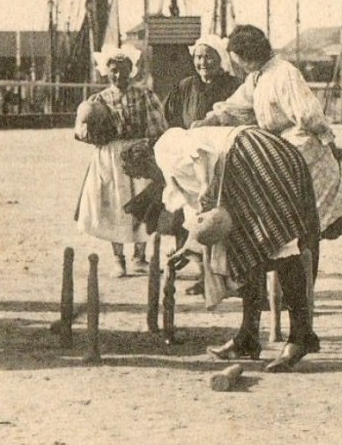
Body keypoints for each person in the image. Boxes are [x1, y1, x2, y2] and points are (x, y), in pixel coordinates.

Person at [125, 126, 319, 372]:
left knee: (279, 244)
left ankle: (300, 337)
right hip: (239, 171)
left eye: (145, 172)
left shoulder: (164, 145)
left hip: (249, 156)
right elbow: (197, 217)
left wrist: (206, 186)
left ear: (145, 159)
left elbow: (198, 154)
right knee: (250, 253)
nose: (151, 177)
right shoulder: (172, 175)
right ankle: (247, 337)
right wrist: (188, 248)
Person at [194, 25, 342, 259]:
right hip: (277, 145)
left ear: (249, 56)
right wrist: (212, 118)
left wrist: (326, 139)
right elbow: (237, 105)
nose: (237, 64)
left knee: (299, 218)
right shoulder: (257, 77)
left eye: (238, 59)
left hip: (301, 144)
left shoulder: (284, 73)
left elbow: (309, 115)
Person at [74, 44, 167, 278]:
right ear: (106, 71)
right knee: (114, 205)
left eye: (123, 69)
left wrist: (150, 146)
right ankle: (118, 259)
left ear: (131, 69)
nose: (118, 75)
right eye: (113, 69)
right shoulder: (98, 100)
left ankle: (140, 257)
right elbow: (81, 133)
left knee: (142, 202)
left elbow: (159, 127)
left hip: (139, 152)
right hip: (109, 156)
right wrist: (91, 129)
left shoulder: (145, 94)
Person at [161, 35, 241, 294]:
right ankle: (203, 276)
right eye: (198, 56)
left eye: (209, 56)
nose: (203, 62)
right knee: (191, 216)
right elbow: (171, 120)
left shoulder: (234, 86)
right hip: (192, 162)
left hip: (223, 160)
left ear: (221, 59)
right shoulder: (185, 86)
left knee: (224, 218)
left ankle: (231, 276)